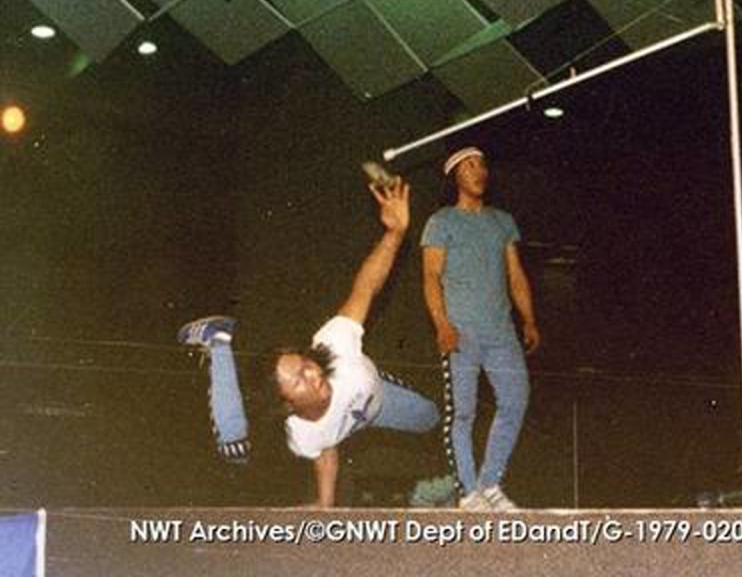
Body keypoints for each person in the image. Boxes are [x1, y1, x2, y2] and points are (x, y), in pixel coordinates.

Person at [178, 180, 439, 507]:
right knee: (235, 449)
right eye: (299, 380)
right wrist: (325, 507)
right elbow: (325, 449)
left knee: (432, 418)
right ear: (287, 405)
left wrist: (395, 234)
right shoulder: (300, 434)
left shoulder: (334, 346)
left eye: (306, 366)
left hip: (380, 397)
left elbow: (366, 288)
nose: (314, 375)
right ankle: (217, 342)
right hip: (359, 415)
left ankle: (216, 341)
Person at [421, 146, 540, 511]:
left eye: (482, 164)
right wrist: (442, 323)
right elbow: (430, 277)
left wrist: (529, 319)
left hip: (501, 331)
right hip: (461, 331)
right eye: (470, 166)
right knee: (464, 412)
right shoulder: (441, 221)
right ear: (456, 176)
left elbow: (515, 275)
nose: (479, 171)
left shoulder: (502, 221)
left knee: (516, 400)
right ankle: (468, 493)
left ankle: (490, 484)